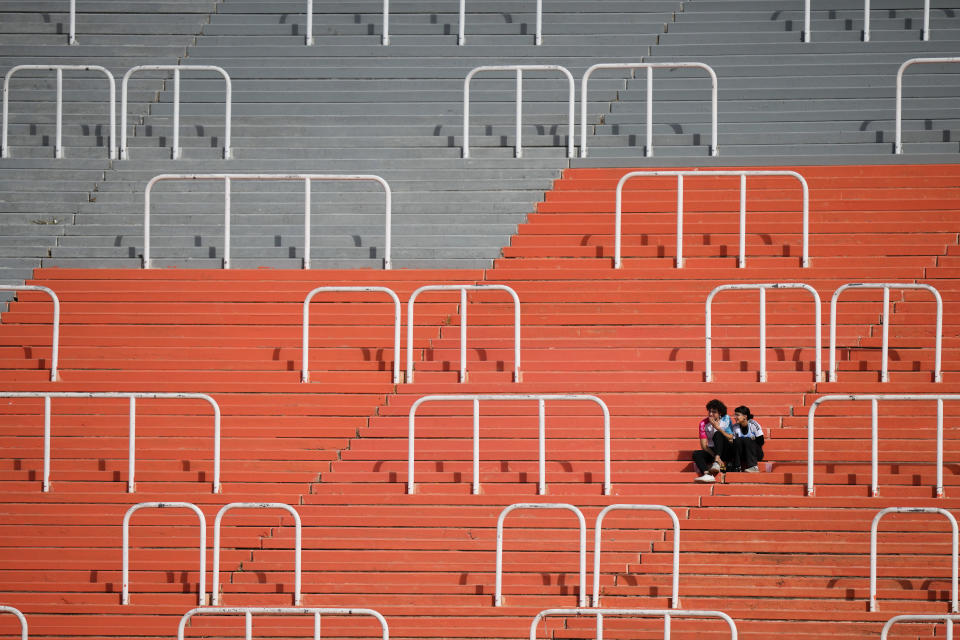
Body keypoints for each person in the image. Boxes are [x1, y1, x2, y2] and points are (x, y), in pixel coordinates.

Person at [692, 399, 735, 483]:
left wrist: (718, 428)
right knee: (696, 454)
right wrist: (716, 456)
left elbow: (730, 437)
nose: (711, 414)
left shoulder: (726, 419)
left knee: (718, 434)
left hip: (726, 449)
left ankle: (717, 461)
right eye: (709, 412)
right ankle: (707, 474)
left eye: (714, 412)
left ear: (720, 413)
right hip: (713, 451)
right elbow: (704, 446)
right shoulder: (703, 423)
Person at [732, 405, 764, 473]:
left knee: (747, 439)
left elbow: (761, 441)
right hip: (743, 454)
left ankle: (753, 467)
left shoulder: (753, 424)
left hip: (756, 454)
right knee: (737, 441)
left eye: (737, 415)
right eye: (735, 415)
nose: (735, 417)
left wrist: (750, 441)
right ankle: (737, 467)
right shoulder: (735, 427)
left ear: (745, 416)